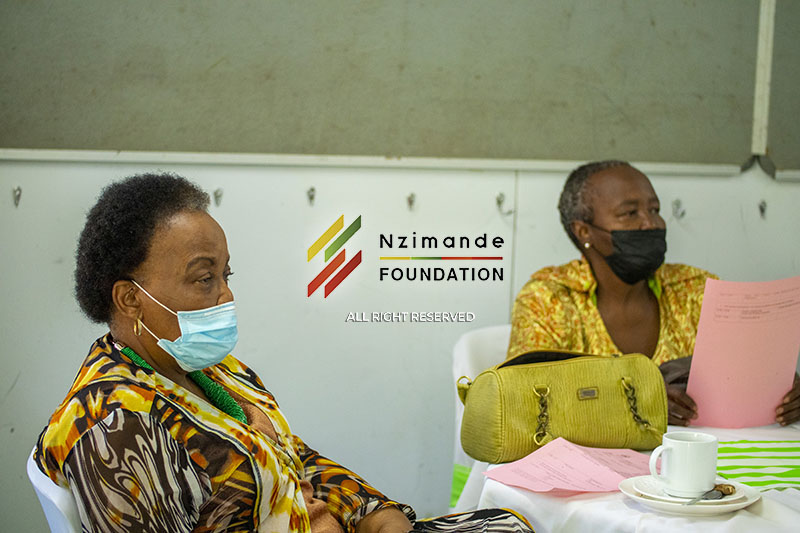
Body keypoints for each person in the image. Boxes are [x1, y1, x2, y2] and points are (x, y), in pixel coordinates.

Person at [34, 173, 532, 533]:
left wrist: (374, 511)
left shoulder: (210, 371)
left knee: (514, 523)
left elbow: (294, 458)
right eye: (204, 278)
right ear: (129, 298)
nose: (225, 295)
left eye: (226, 275)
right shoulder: (113, 425)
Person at [506, 160, 800, 427]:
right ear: (584, 232)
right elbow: (520, 400)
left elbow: (752, 369)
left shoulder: (695, 289)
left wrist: (782, 388)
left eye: (655, 210)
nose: (651, 224)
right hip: (591, 462)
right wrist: (633, 405)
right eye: (630, 213)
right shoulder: (549, 299)